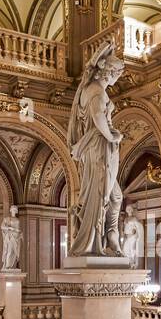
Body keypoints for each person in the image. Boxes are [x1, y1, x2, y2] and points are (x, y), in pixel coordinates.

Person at [67, 41, 126, 256]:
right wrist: (112, 136)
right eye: (116, 74)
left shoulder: (93, 89)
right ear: (108, 72)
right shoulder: (95, 91)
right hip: (99, 147)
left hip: (99, 147)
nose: (117, 79)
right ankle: (94, 241)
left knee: (114, 196)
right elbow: (98, 116)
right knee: (101, 194)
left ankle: (110, 236)